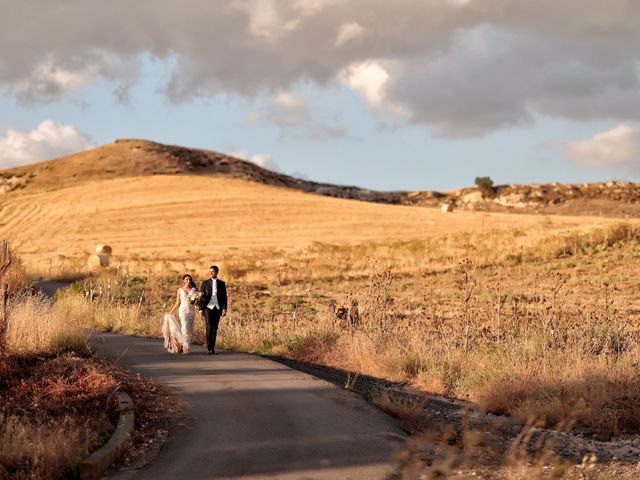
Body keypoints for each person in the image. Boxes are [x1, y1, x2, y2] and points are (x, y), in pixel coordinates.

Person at [198, 265, 227, 354]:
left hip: (217, 308)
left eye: (213, 271)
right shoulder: (205, 283)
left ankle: (213, 347)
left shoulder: (222, 283)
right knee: (209, 327)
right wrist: (200, 309)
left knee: (215, 328)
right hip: (207, 308)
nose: (211, 273)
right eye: (210, 271)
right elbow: (200, 297)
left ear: (217, 272)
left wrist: (224, 308)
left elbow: (224, 297)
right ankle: (209, 348)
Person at [167, 274, 198, 354]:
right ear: (183, 281)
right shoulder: (180, 290)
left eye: (189, 279)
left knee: (189, 330)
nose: (188, 281)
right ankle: (186, 348)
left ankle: (182, 345)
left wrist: (196, 300)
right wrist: (171, 311)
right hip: (183, 311)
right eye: (187, 279)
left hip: (191, 311)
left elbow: (195, 302)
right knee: (184, 329)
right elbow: (177, 302)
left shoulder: (194, 290)